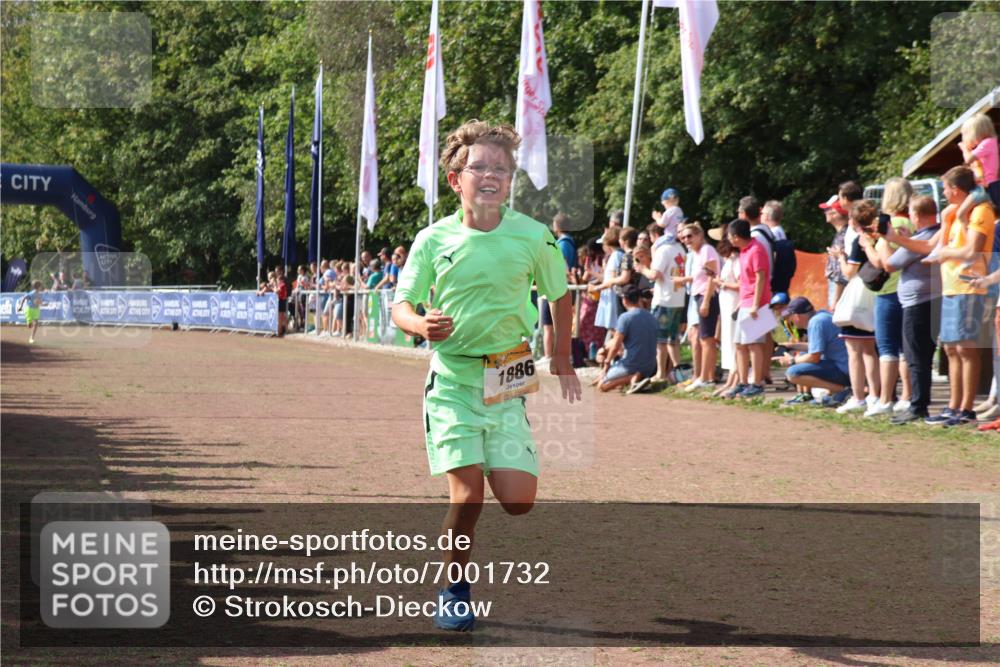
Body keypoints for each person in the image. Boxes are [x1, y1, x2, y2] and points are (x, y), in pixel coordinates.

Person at [391, 120, 581, 632]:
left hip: (509, 370)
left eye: (502, 167)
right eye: (480, 166)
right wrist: (419, 324)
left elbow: (561, 296)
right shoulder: (434, 239)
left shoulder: (532, 235)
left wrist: (560, 356)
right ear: (456, 179)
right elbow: (401, 305)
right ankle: (453, 587)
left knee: (518, 503)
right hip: (453, 376)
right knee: (467, 495)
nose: (492, 174)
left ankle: (498, 459)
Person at [922, 166, 996, 426]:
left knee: (966, 348)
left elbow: (972, 252)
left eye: (945, 188)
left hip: (970, 287)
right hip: (952, 286)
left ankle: (966, 408)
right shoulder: (956, 213)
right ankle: (953, 406)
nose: (943, 193)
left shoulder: (981, 211)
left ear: (956, 189)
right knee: (952, 349)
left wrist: (944, 255)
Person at [878, 195, 942, 425]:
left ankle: (918, 405)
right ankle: (919, 402)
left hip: (918, 304)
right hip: (929, 302)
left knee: (916, 356)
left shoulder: (924, 238)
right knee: (921, 355)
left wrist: (883, 240)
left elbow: (889, 264)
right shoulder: (930, 235)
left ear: (915, 216)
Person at [856, 177, 914, 417]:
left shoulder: (889, 224)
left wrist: (866, 244)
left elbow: (881, 261)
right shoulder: (912, 224)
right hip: (908, 290)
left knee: (887, 347)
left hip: (889, 291)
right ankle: (907, 396)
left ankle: (885, 398)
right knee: (904, 348)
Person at [831, 200, 881, 414]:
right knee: (871, 350)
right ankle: (876, 395)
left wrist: (840, 257)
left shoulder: (859, 240)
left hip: (859, 297)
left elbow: (849, 273)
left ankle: (859, 395)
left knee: (854, 350)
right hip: (875, 294)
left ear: (854, 220)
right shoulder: (879, 235)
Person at [724, 218, 771, 399]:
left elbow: (761, 277)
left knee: (753, 343)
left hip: (755, 303)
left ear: (735, 236)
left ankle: (756, 383)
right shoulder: (744, 251)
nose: (728, 239)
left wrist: (755, 304)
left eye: (729, 235)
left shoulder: (756, 249)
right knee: (740, 344)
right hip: (745, 301)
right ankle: (743, 382)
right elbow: (745, 279)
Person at [672, 222, 719, 392]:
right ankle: (704, 376)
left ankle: (706, 377)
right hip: (699, 295)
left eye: (689, 236)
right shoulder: (697, 252)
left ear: (699, 235)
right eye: (683, 237)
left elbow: (712, 277)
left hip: (706, 296)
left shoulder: (707, 250)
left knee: (706, 339)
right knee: (703, 338)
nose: (686, 240)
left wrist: (706, 300)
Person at [775, 297, 851, 401]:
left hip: (844, 370)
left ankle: (842, 390)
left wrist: (791, 361)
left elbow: (814, 357)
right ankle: (835, 392)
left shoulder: (815, 323)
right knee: (802, 354)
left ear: (796, 316)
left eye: (790, 317)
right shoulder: (822, 316)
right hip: (847, 366)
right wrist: (790, 345)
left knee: (792, 373)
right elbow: (816, 347)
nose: (791, 321)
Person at [637, 222, 686, 382]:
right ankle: (675, 372)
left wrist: (642, 269)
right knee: (673, 339)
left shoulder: (663, 250)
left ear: (655, 236)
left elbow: (655, 274)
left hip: (664, 298)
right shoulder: (680, 248)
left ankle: (661, 373)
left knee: (660, 339)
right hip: (677, 298)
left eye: (650, 238)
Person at [597, 285, 658, 393]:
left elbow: (616, 345)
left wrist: (606, 363)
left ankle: (631, 378)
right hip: (651, 366)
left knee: (602, 385)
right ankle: (633, 380)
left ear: (624, 300)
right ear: (639, 299)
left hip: (632, 365)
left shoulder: (625, 318)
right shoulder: (651, 316)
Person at [538, 213, 577, 364]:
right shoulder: (567, 243)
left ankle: (553, 356)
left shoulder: (562, 244)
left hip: (556, 288)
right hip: (559, 288)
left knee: (551, 324)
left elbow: (560, 266)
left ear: (556, 226)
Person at [710, 223, 741, 397]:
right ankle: (731, 379)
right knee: (728, 341)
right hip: (727, 302)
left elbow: (739, 284)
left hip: (732, 303)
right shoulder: (729, 259)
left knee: (732, 341)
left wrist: (721, 283)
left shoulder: (736, 259)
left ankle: (735, 379)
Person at [957, 112, 999, 216]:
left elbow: (968, 159)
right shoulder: (987, 144)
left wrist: (964, 149)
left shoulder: (988, 142)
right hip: (987, 185)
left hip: (991, 185)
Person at [592, 227, 629, 338]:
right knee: (612, 328)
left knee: (614, 328)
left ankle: (621, 352)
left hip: (611, 296)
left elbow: (612, 279)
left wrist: (596, 288)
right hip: (610, 294)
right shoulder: (617, 255)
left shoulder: (615, 256)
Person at [820, 195, 850, 309]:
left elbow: (840, 275)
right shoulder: (842, 234)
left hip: (841, 292)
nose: (824, 212)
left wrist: (836, 302)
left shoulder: (843, 237)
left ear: (835, 213)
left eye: (827, 209)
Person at [22, 279, 43, 344]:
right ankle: (28, 322)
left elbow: (39, 301)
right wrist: (20, 306)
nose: (41, 287)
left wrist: (42, 303)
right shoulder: (32, 293)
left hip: (36, 310)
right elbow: (24, 298)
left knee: (36, 323)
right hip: (29, 310)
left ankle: (32, 338)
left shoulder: (39, 294)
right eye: (40, 286)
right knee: (29, 326)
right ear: (38, 287)